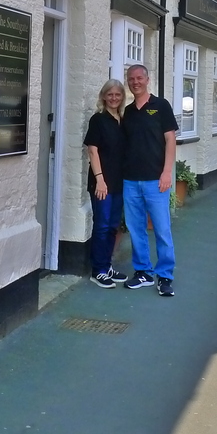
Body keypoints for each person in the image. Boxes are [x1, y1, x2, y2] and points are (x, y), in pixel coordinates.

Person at [120, 64, 179, 297]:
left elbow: (170, 140)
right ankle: (143, 271)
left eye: (139, 78)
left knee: (162, 230)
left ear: (147, 80)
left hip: (156, 180)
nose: (135, 82)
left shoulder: (161, 106)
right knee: (136, 229)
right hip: (130, 181)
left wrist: (167, 172)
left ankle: (165, 275)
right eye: (131, 79)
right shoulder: (128, 112)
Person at [83, 80, 128, 288]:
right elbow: (92, 151)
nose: (114, 98)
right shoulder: (98, 120)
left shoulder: (123, 121)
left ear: (122, 97)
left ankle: (107, 265)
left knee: (112, 226)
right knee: (101, 226)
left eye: (117, 94)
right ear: (103, 96)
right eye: (110, 94)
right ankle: (98, 270)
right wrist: (100, 179)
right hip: (102, 183)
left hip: (119, 182)